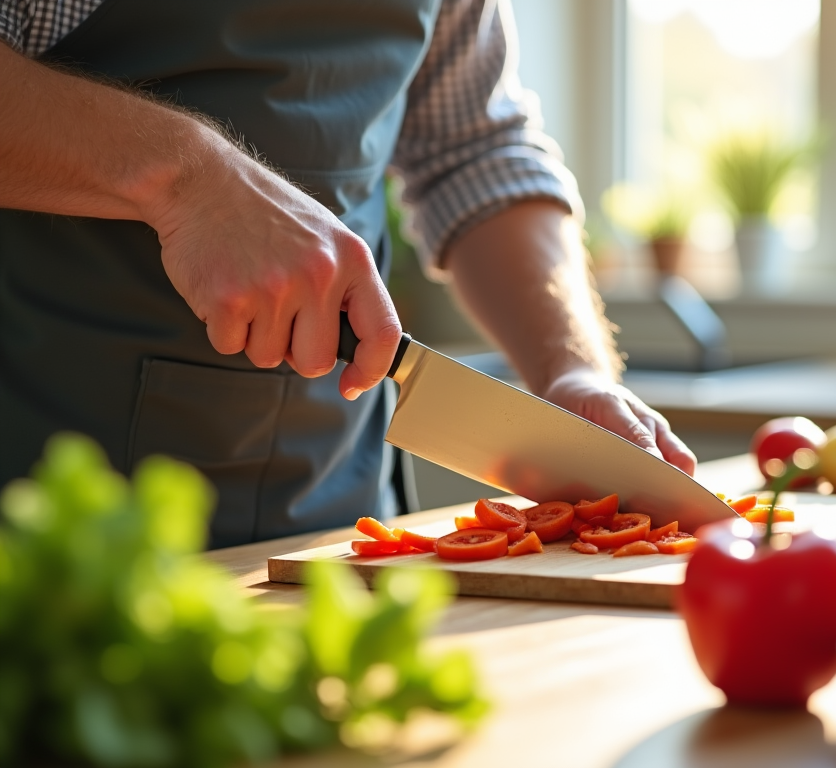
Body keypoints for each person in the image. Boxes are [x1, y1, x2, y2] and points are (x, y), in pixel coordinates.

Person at [0, 0, 696, 548]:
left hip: (341, 527)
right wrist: (187, 177)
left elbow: (477, 149)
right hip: (56, 525)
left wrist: (570, 368)